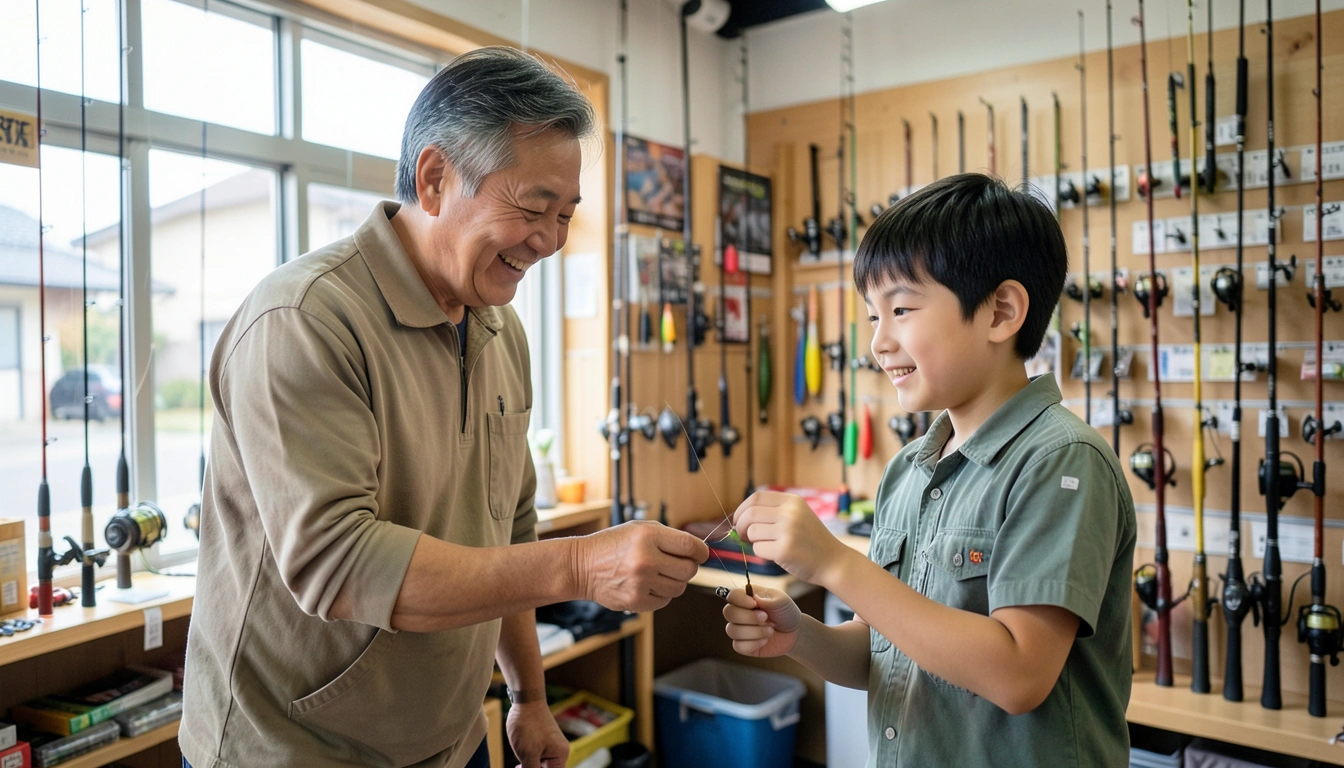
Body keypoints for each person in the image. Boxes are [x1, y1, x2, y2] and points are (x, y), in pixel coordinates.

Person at [180, 47, 709, 768]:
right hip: (297, 752)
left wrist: (528, 697)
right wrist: (581, 566)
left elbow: (510, 532)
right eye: (533, 208)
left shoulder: (499, 327)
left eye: (566, 215)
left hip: (452, 738)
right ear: (434, 180)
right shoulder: (303, 318)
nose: (550, 241)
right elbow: (337, 563)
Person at [723, 174, 1135, 767]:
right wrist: (800, 634)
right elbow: (888, 652)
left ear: (1001, 311)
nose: (879, 343)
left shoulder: (1060, 462)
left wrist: (835, 562)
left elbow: (1020, 673)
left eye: (902, 309)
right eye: (872, 316)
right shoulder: (908, 471)